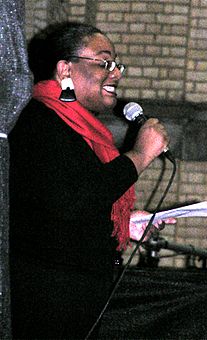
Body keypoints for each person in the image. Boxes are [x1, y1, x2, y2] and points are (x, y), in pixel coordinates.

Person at [9, 22, 175, 339]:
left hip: (74, 294)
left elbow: (68, 206)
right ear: (65, 70)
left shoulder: (78, 128)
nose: (115, 73)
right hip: (47, 300)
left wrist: (123, 223)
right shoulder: (40, 122)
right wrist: (140, 155)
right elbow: (73, 200)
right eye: (104, 63)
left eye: (116, 65)